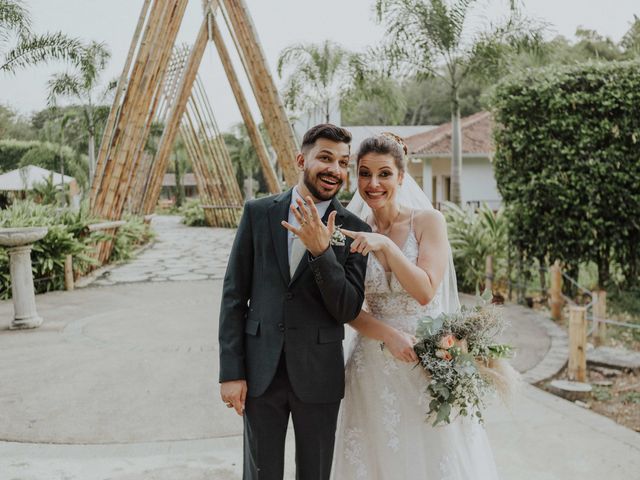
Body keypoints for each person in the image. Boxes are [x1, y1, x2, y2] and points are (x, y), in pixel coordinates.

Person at [331, 133, 500, 479]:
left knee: (435, 452)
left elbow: (424, 291)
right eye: (364, 173)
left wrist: (387, 248)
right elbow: (347, 307)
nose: (373, 184)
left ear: (402, 177)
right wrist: (388, 335)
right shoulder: (348, 231)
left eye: (384, 174)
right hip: (373, 366)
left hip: (430, 359)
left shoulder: (428, 222)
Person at [218, 124, 371, 480]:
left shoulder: (354, 229)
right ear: (303, 159)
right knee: (260, 472)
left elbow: (347, 308)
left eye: (343, 162)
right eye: (326, 158)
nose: (335, 169)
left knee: (315, 473)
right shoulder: (258, 213)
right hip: (260, 371)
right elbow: (233, 296)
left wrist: (322, 252)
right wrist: (231, 372)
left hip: (319, 374)